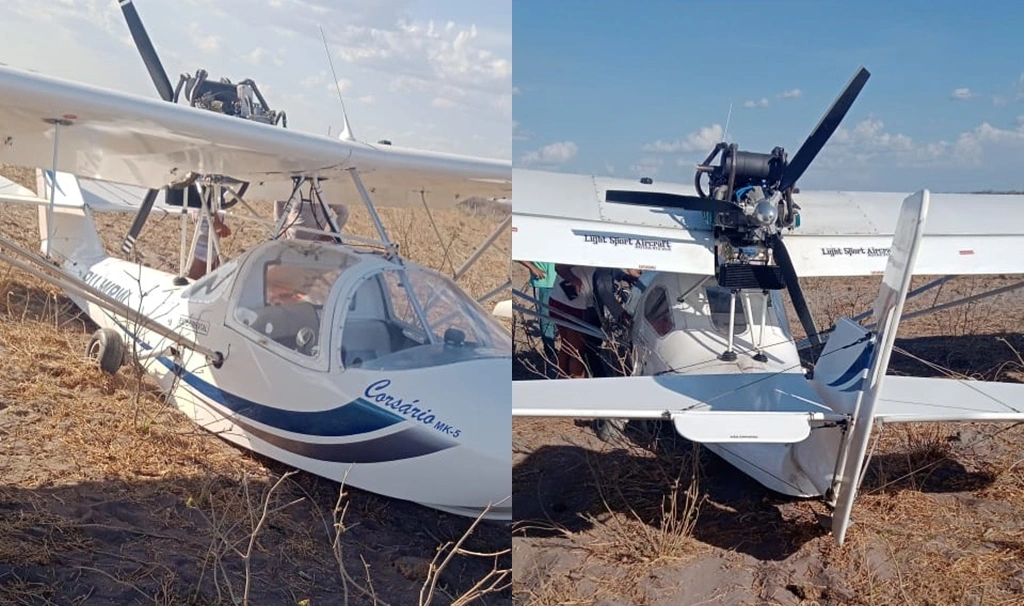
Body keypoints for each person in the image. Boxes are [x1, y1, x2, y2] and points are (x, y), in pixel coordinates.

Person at [548, 264, 598, 378]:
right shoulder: (585, 251)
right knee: (576, 351)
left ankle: (562, 380)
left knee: (566, 346)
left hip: (557, 299)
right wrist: (574, 280)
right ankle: (576, 386)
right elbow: (559, 267)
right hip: (574, 304)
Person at [517, 260, 557, 369]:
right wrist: (532, 267)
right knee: (545, 319)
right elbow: (517, 252)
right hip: (543, 282)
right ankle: (551, 353)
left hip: (559, 282)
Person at [275, 200, 349, 241]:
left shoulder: (325, 191)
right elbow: (278, 202)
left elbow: (343, 213)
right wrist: (280, 228)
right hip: (290, 240)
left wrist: (332, 234)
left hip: (315, 245)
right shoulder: (297, 185)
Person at [189, 211, 231, 280]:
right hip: (207, 213)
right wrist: (215, 219)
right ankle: (192, 287)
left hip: (208, 212)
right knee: (203, 261)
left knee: (210, 260)